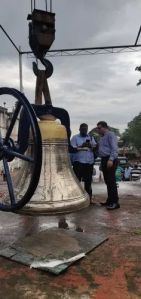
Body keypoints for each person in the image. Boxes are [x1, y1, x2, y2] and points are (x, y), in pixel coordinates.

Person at [71, 123, 96, 203]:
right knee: (77, 182)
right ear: (79, 129)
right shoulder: (75, 138)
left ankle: (89, 200)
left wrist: (92, 146)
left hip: (89, 163)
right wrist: (81, 146)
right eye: (83, 129)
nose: (84, 131)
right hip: (78, 163)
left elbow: (95, 148)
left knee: (88, 182)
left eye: (86, 129)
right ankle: (76, 199)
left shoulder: (91, 137)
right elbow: (71, 149)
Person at [97, 121, 120, 210]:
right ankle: (110, 200)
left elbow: (114, 148)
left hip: (110, 159)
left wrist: (111, 159)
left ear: (105, 127)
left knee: (111, 181)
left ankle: (115, 202)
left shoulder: (111, 135)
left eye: (99, 128)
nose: (98, 130)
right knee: (107, 181)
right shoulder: (102, 137)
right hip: (104, 159)